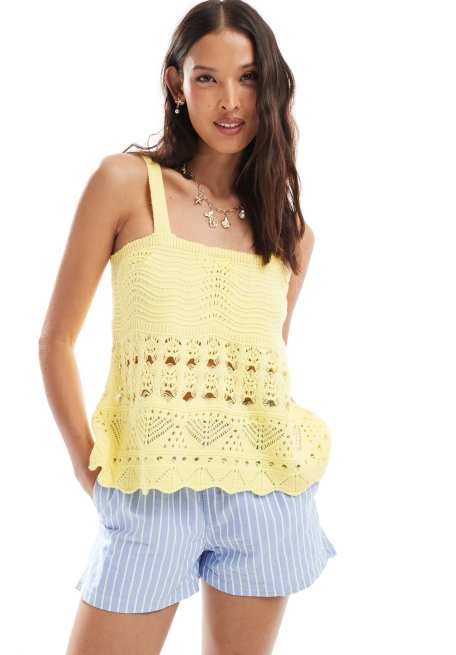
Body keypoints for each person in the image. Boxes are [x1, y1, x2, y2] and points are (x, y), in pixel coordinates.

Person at [38, 1, 336, 653]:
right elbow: (55, 339)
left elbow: (265, 366)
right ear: (176, 84)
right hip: (148, 491)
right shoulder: (124, 184)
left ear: (271, 87)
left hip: (264, 495)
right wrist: (88, 469)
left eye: (248, 78)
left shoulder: (289, 232)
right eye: (207, 78)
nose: (230, 100)